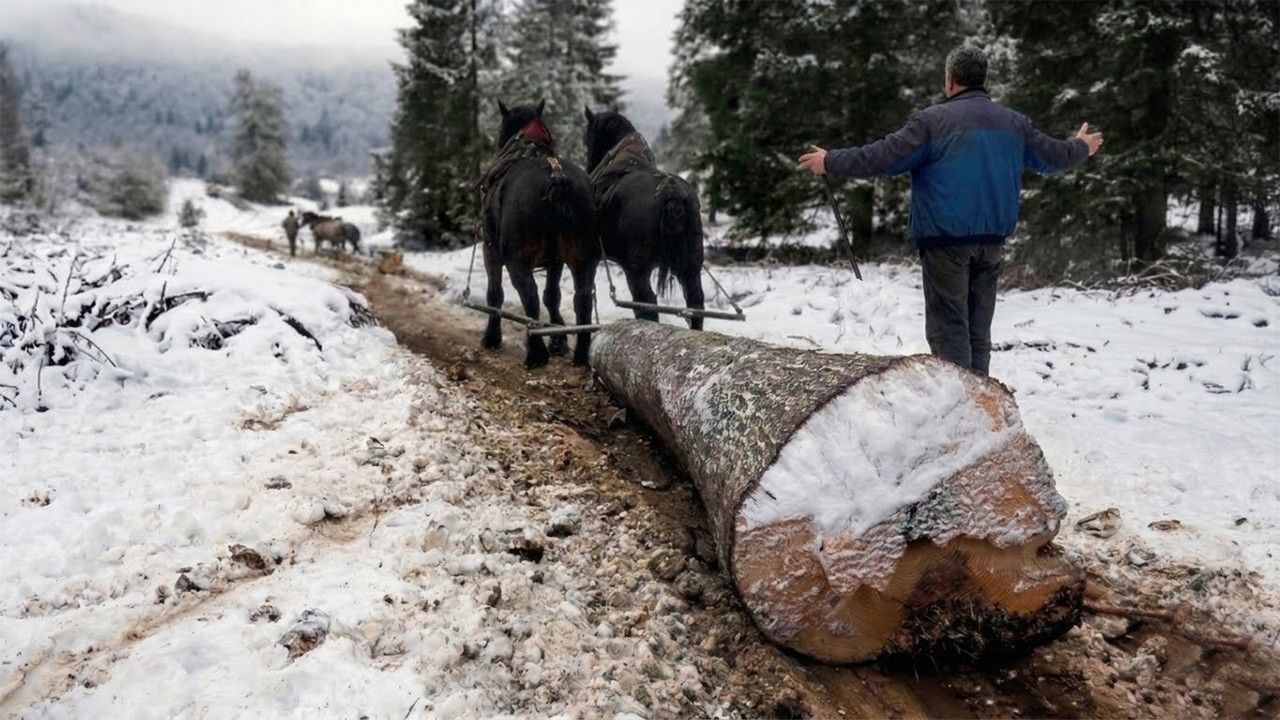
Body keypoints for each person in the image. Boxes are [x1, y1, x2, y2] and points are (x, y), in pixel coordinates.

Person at [799, 45, 1102, 375]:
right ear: (983, 79)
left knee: (949, 332)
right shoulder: (1014, 123)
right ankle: (980, 407)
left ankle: (959, 410)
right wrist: (1082, 146)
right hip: (991, 243)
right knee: (977, 333)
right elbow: (1054, 157)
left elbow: (882, 157)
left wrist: (830, 161)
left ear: (950, 79)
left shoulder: (933, 122)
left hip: (945, 242)